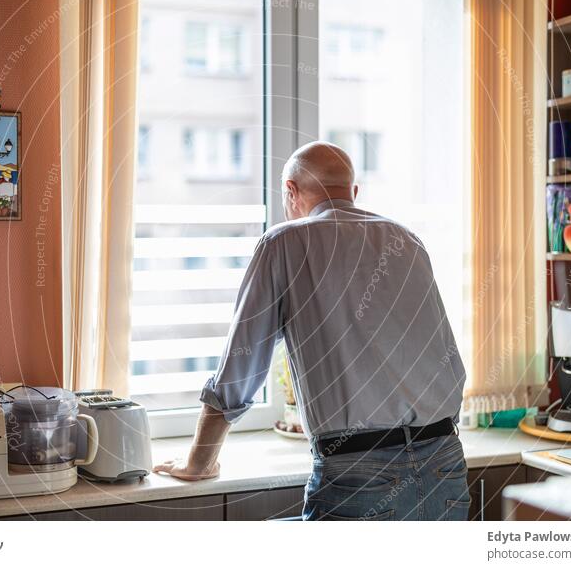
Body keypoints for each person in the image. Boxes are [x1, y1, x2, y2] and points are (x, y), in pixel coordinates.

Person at [154, 141, 469, 521]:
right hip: (445, 463)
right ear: (353, 193)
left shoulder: (284, 242)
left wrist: (198, 461)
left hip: (359, 472)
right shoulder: (408, 240)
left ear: (290, 191)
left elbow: (240, 370)